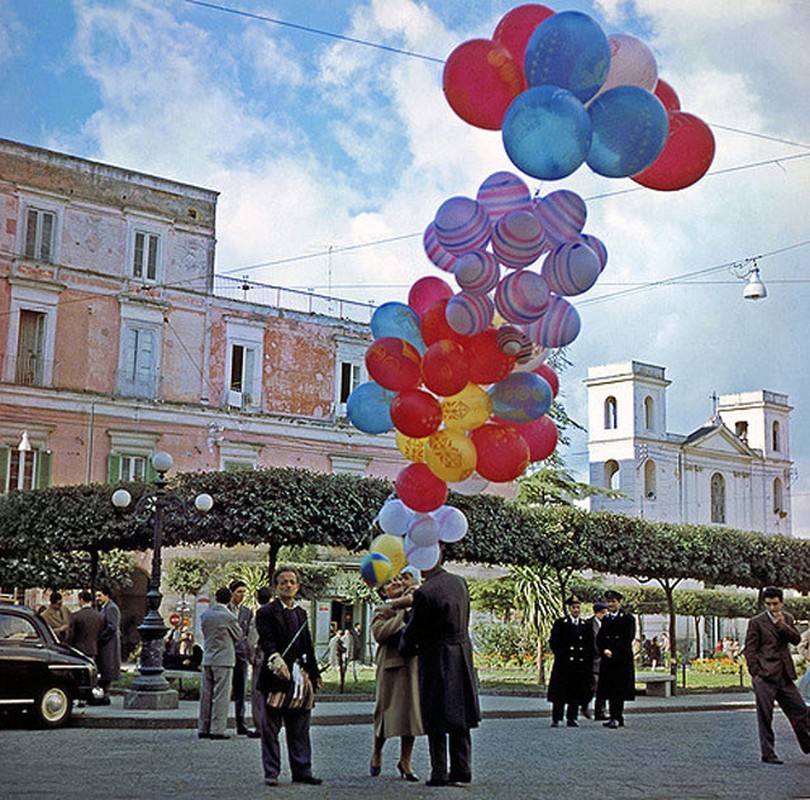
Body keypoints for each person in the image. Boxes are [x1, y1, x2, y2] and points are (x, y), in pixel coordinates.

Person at [400, 549, 480, 787]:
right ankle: (462, 769)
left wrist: (406, 641)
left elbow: (416, 629)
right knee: (460, 715)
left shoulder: (425, 592)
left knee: (436, 715)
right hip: (461, 654)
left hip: (437, 657)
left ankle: (439, 772)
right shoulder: (459, 582)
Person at [256, 566, 322, 786]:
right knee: (270, 728)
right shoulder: (265, 612)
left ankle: (302, 770)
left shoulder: (302, 613)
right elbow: (267, 641)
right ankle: (272, 772)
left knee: (300, 728)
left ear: (298, 586)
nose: (288, 585)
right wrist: (276, 660)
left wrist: (314, 673)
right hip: (275, 678)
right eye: (283, 582)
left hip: (299, 680)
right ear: (276, 586)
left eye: (292, 582)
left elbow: (308, 645)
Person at [742, 586, 810, 764]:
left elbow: (796, 639)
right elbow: (750, 649)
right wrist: (756, 672)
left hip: (784, 675)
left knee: (800, 711)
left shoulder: (786, 618)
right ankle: (768, 753)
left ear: (782, 602)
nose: (772, 608)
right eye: (768, 604)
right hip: (765, 676)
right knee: (765, 717)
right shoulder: (756, 622)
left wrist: (781, 625)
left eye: (775, 604)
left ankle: (807, 743)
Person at [370, 566, 424, 780]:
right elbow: (379, 634)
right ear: (383, 592)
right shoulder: (382, 609)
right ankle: (377, 753)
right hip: (391, 667)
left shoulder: (415, 605)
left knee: (412, 716)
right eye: (390, 583)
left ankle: (406, 761)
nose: (397, 584)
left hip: (413, 665)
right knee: (384, 713)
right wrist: (401, 612)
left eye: (398, 580)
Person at [198, 586, 243, 740]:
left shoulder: (205, 615)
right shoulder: (228, 616)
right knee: (221, 696)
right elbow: (238, 635)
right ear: (230, 598)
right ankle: (217, 729)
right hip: (224, 658)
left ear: (216, 598)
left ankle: (203, 727)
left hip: (208, 657)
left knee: (206, 695)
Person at [547, 596, 594, 728]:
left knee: (575, 692)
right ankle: (556, 718)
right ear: (569, 609)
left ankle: (572, 718)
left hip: (578, 665)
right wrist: (561, 654)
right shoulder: (561, 623)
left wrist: (586, 659)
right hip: (564, 664)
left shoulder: (585, 625)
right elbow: (554, 642)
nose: (576, 610)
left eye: (578, 607)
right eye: (573, 607)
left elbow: (589, 645)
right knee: (560, 694)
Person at [596, 589, 636, 729]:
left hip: (621, 659)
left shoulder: (628, 619)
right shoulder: (606, 619)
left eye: (613, 602)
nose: (611, 604)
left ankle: (617, 716)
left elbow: (627, 638)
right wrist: (604, 650)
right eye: (609, 602)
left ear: (619, 602)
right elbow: (600, 638)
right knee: (609, 689)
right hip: (608, 660)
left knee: (618, 690)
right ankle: (614, 716)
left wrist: (614, 650)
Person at [228, 579, 258, 737]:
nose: (242, 595)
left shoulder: (247, 612)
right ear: (232, 592)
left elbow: (248, 634)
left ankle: (241, 724)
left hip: (241, 655)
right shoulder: (224, 609)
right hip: (226, 654)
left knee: (240, 691)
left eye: (244, 593)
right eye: (239, 592)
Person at [249, 586, 273, 732]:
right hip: (275, 657)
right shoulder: (277, 613)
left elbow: (251, 640)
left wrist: (252, 658)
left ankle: (260, 726)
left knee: (258, 693)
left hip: (262, 655)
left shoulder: (259, 614)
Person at [581, 601, 608, 720]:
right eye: (604, 613)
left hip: (604, 660)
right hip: (591, 660)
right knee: (592, 686)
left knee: (603, 687)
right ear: (598, 613)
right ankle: (584, 705)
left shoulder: (607, 624)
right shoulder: (588, 624)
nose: (605, 615)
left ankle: (600, 712)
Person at [95, 586, 121, 704]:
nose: (97, 598)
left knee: (106, 670)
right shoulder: (105, 607)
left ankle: (105, 696)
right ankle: (103, 695)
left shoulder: (111, 608)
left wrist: (100, 638)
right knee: (103, 671)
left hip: (108, 645)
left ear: (107, 596)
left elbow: (111, 627)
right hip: (105, 644)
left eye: (100, 596)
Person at [67, 590, 104, 659]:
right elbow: (100, 632)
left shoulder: (76, 616)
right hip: (93, 649)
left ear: (81, 600)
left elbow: (71, 635)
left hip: (78, 649)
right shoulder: (99, 616)